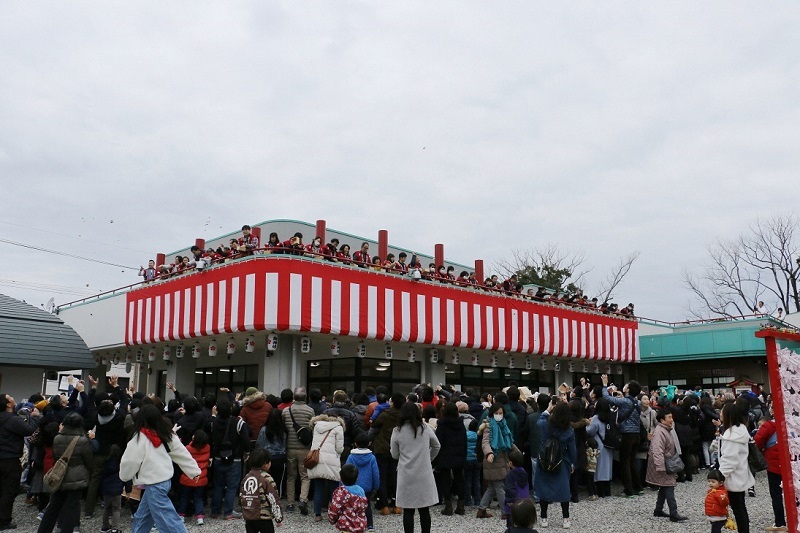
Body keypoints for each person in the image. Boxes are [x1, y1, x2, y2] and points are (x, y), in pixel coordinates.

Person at [120, 404, 201, 533]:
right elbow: (181, 453)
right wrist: (194, 471)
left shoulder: (139, 439)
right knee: (142, 517)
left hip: (153, 484)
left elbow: (130, 461)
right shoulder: (167, 433)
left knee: (168, 520)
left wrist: (124, 476)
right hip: (163, 481)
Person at [36, 412, 93, 533]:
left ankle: (43, 530)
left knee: (53, 507)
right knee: (71, 508)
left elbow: (57, 457)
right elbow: (89, 461)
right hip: (77, 477)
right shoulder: (82, 440)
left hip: (60, 476)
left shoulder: (57, 438)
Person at [390, 401, 441, 533]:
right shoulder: (425, 428)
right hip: (424, 472)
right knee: (424, 510)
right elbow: (436, 446)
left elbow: (394, 455)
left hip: (406, 473)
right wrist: (428, 458)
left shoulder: (397, 431)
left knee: (408, 510)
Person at [0, 393, 40, 530]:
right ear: (8, 404)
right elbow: (28, 430)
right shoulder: (12, 419)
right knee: (9, 490)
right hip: (9, 459)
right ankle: (4, 521)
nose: (12, 397)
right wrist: (34, 418)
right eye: (10, 397)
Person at [534, 400, 576, 529]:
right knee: (564, 490)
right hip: (561, 461)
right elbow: (572, 450)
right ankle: (565, 518)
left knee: (544, 488)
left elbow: (539, 421)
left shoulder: (545, 425)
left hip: (544, 460)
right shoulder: (569, 430)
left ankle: (544, 518)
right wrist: (573, 463)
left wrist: (547, 410)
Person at [600, 373, 643, 497]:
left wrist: (604, 385)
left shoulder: (624, 402)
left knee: (625, 462)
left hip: (626, 434)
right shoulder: (638, 403)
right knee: (633, 461)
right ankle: (638, 487)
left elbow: (607, 398)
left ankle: (628, 490)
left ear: (628, 389)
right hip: (637, 434)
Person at [477, 403, 518, 519]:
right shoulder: (489, 426)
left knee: (492, 488)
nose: (499, 415)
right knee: (499, 487)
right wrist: (489, 453)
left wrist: (517, 452)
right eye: (496, 413)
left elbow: (509, 442)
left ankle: (481, 509)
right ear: (491, 414)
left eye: (500, 413)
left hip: (500, 460)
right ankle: (505, 512)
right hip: (493, 460)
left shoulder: (503, 425)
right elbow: (485, 442)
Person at [717, 402, 754, 533]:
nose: (720, 413)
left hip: (733, 476)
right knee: (740, 507)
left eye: (722, 411)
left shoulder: (732, 435)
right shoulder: (740, 431)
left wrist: (719, 477)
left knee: (738, 508)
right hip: (740, 474)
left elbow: (729, 460)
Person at [646, 409, 688, 522]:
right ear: (662, 420)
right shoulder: (660, 432)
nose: (671, 419)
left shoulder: (664, 430)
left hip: (665, 463)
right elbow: (657, 450)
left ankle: (658, 510)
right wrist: (660, 466)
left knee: (664, 486)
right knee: (669, 486)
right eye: (669, 417)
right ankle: (673, 513)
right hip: (663, 464)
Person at [281, 387, 314, 514]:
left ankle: (290, 503)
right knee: (305, 476)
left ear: (294, 397)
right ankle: (303, 499)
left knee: (291, 476)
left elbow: (285, 427)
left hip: (290, 447)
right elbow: (312, 427)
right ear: (305, 398)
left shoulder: (286, 411)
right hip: (305, 448)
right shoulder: (310, 411)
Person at [307, 412, 345, 521]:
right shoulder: (338, 428)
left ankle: (317, 514)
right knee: (334, 489)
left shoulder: (317, 426)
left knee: (319, 488)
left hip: (317, 459)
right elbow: (339, 448)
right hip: (332, 461)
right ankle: (333, 514)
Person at [754, 413, 786, 531]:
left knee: (776, 494)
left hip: (774, 464)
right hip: (792, 462)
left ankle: (780, 523)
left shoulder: (769, 426)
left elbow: (757, 441)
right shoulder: (793, 423)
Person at [434, 402, 467, 516]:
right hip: (459, 453)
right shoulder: (460, 424)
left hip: (445, 454)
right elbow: (464, 440)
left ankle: (448, 506)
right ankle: (461, 505)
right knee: (460, 479)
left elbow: (438, 441)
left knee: (445, 480)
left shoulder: (442, 424)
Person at [240, 448, 283, 533]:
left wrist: (245, 510)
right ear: (265, 464)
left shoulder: (247, 477)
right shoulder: (266, 478)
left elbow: (242, 496)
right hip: (263, 517)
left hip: (249, 516)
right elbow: (273, 498)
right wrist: (278, 518)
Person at [346, 432, 380, 532]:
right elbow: (375, 473)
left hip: (353, 486)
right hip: (367, 487)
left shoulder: (351, 457)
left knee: (352, 506)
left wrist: (343, 485)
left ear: (355, 443)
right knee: (367, 505)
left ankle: (353, 524)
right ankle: (370, 525)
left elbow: (346, 471)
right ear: (369, 443)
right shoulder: (372, 458)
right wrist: (376, 486)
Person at [179, 429, 210, 526]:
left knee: (184, 497)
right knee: (199, 498)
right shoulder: (207, 447)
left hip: (188, 477)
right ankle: (200, 517)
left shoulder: (188, 448)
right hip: (201, 478)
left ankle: (181, 516)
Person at [328, 463, 369, 533]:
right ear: (357, 478)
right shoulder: (361, 491)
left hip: (346, 528)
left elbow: (334, 509)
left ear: (340, 477)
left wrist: (332, 520)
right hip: (360, 527)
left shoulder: (341, 492)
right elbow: (364, 507)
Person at [586, 397, 614, 498]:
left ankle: (600, 491)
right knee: (607, 467)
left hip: (599, 444)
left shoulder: (596, 418)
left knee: (599, 468)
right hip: (609, 444)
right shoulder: (611, 417)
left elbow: (590, 431)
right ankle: (608, 490)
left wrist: (586, 424)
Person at [256, 409, 287, 498]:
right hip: (280, 457)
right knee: (279, 481)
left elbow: (259, 444)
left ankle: (265, 496)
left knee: (265, 479)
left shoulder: (264, 430)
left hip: (267, 457)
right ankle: (277, 497)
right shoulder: (283, 430)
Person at [100, 444, 124, 533]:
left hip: (106, 489)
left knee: (107, 508)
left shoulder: (105, 463)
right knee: (116, 509)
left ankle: (105, 526)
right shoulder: (120, 464)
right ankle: (115, 528)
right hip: (117, 489)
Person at [503, 450, 530, 529]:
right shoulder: (524, 472)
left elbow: (509, 489)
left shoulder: (510, 475)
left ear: (510, 463)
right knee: (523, 524)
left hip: (513, 504)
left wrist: (509, 501)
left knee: (511, 526)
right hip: (525, 502)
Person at [463, 419, 481, 507]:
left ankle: (467, 501)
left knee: (467, 481)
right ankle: (477, 500)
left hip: (467, 459)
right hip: (477, 459)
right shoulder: (479, 436)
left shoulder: (465, 435)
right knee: (477, 480)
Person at [705, 469, 729, 533]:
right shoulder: (712, 491)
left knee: (715, 530)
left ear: (721, 483)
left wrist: (724, 499)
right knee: (716, 530)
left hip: (719, 516)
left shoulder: (720, 493)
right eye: (709, 481)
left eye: (713, 482)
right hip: (714, 515)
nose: (710, 483)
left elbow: (725, 504)